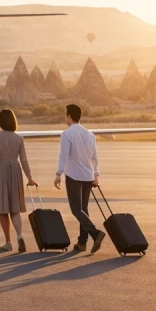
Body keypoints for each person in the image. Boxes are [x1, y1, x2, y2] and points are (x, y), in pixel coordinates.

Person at [54, 103, 107, 254]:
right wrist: (96, 176)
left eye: (66, 115)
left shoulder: (66, 134)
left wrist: (58, 174)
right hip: (88, 177)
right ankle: (82, 243)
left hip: (74, 177)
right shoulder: (90, 135)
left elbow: (64, 156)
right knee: (83, 209)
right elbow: (95, 157)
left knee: (76, 209)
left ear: (69, 116)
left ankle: (96, 233)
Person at [0, 108, 38, 253]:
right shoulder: (19, 138)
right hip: (15, 170)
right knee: (15, 208)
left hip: (0, 170)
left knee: (3, 209)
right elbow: (24, 160)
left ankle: (8, 242)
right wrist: (30, 178)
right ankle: (20, 236)